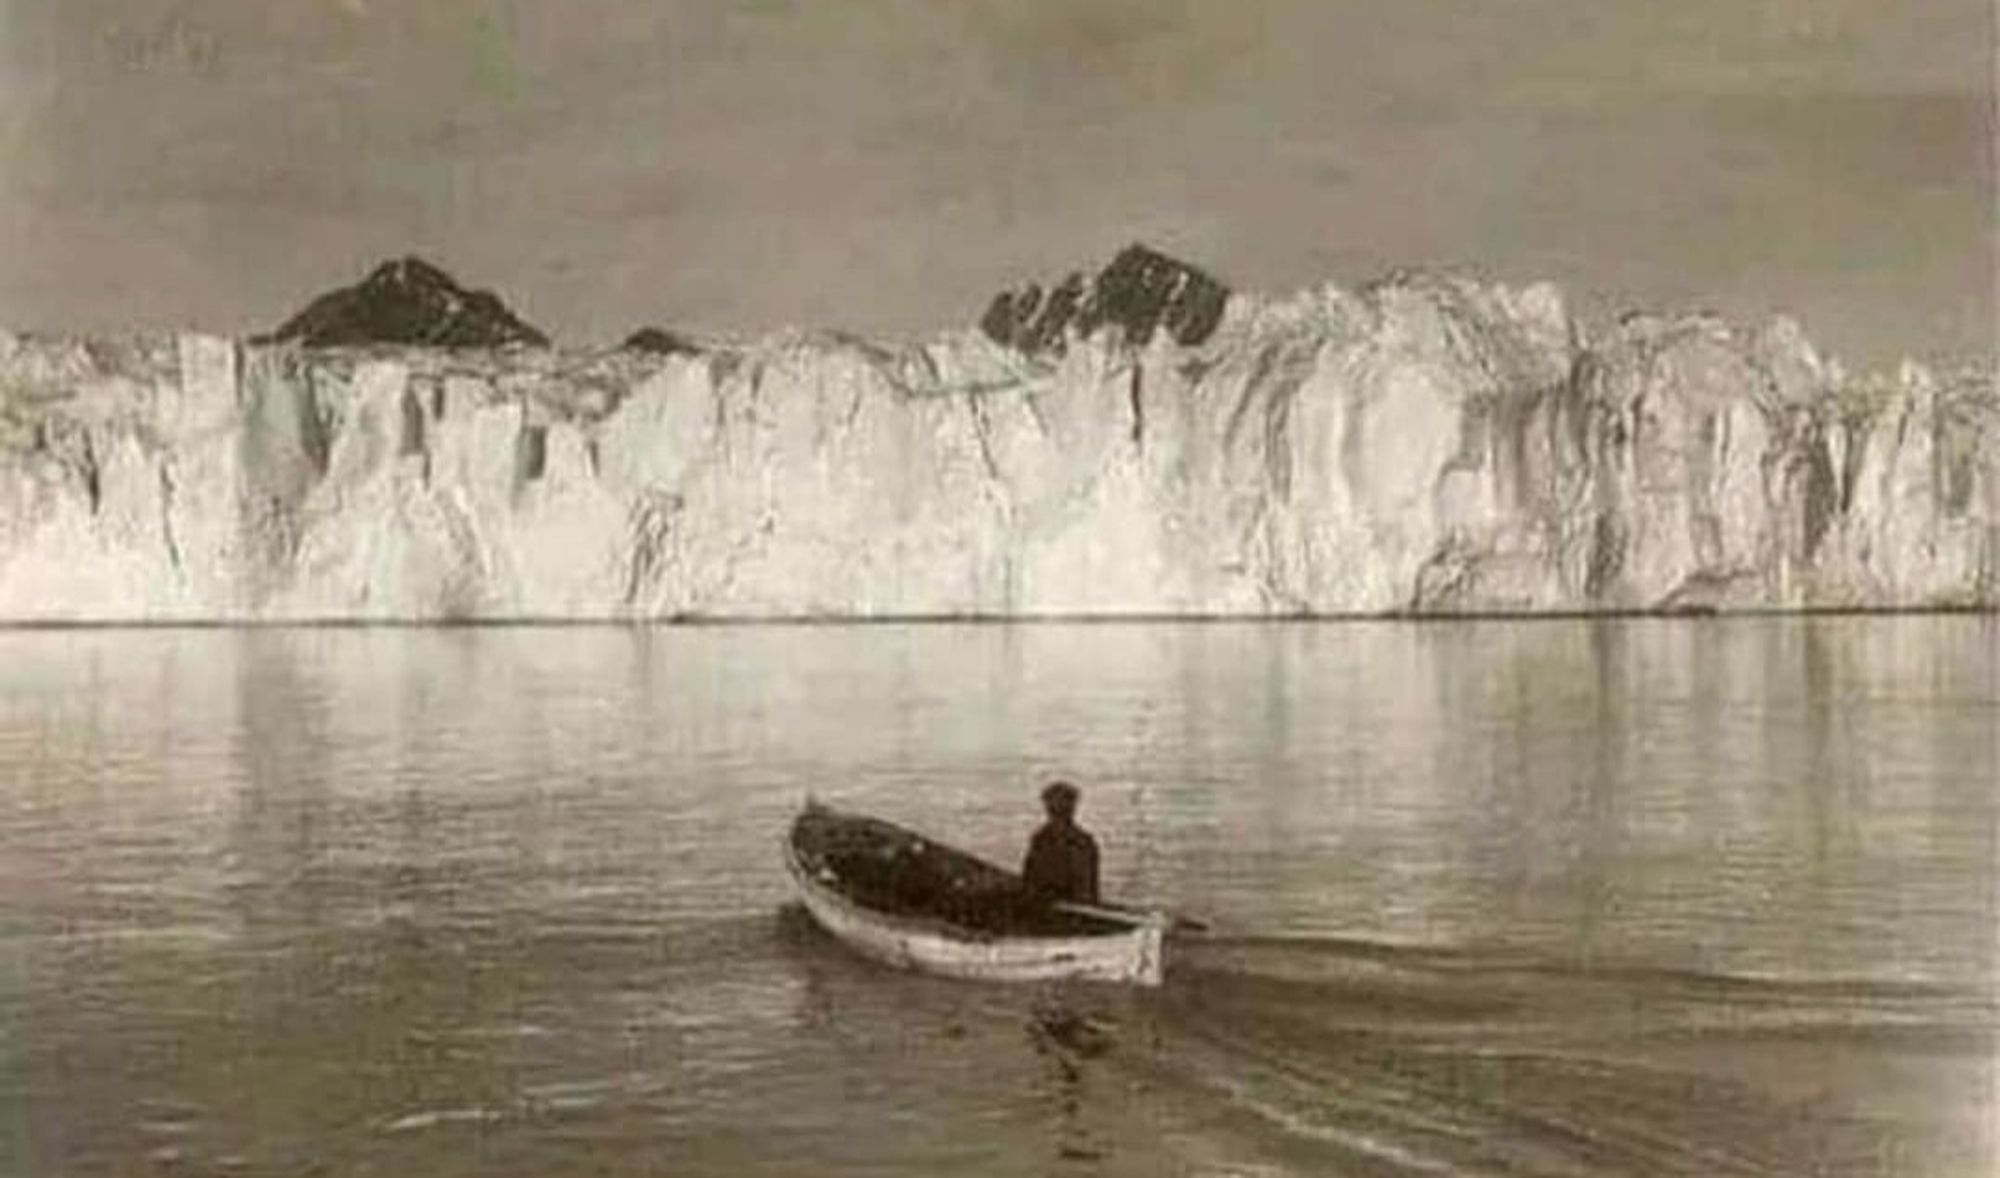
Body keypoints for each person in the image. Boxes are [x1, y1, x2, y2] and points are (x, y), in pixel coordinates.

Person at [1022, 780, 1100, 906]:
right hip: (1048, 905)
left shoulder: (1082, 843)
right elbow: (1030, 881)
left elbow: (1084, 890)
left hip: (1067, 909)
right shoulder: (1040, 839)